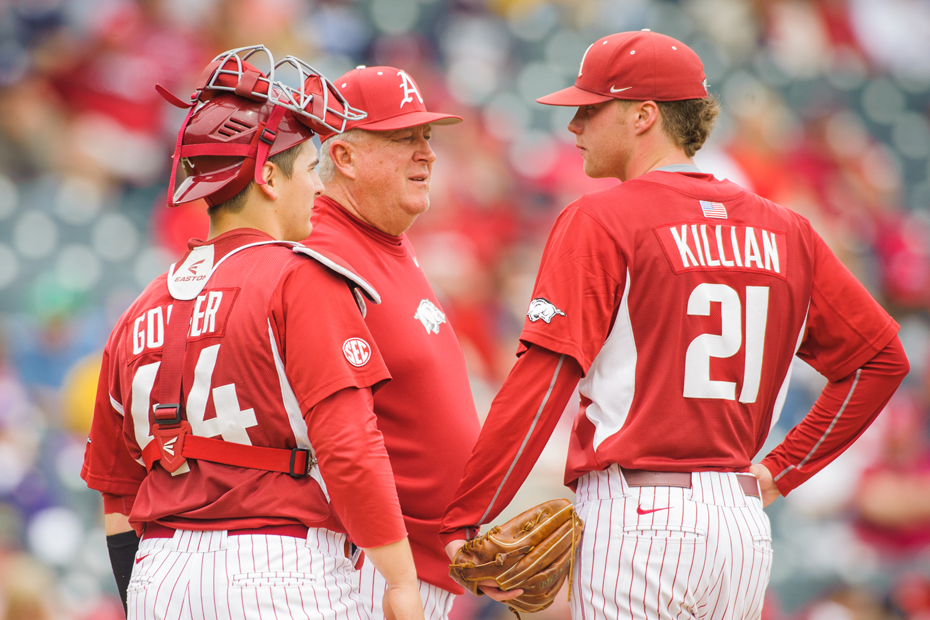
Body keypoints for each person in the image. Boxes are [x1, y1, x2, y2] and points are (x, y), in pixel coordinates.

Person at [440, 30, 910, 620]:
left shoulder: (602, 219)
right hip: (741, 525)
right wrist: (781, 469)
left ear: (643, 115)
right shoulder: (787, 229)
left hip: (639, 520)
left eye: (589, 109)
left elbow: (544, 378)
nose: (573, 127)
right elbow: (880, 358)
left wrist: (466, 515)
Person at [81, 46, 425, 620]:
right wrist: (400, 580)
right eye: (312, 170)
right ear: (267, 175)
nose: (318, 191)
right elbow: (349, 447)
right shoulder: (299, 277)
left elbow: (117, 492)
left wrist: (145, 594)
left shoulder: (140, 306)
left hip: (159, 573)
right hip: (278, 568)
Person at [306, 65, 480, 620]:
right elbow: (334, 429)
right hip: (367, 569)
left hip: (420, 568)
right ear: (345, 157)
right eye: (403, 138)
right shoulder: (320, 248)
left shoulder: (385, 239)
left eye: (427, 137)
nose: (426, 153)